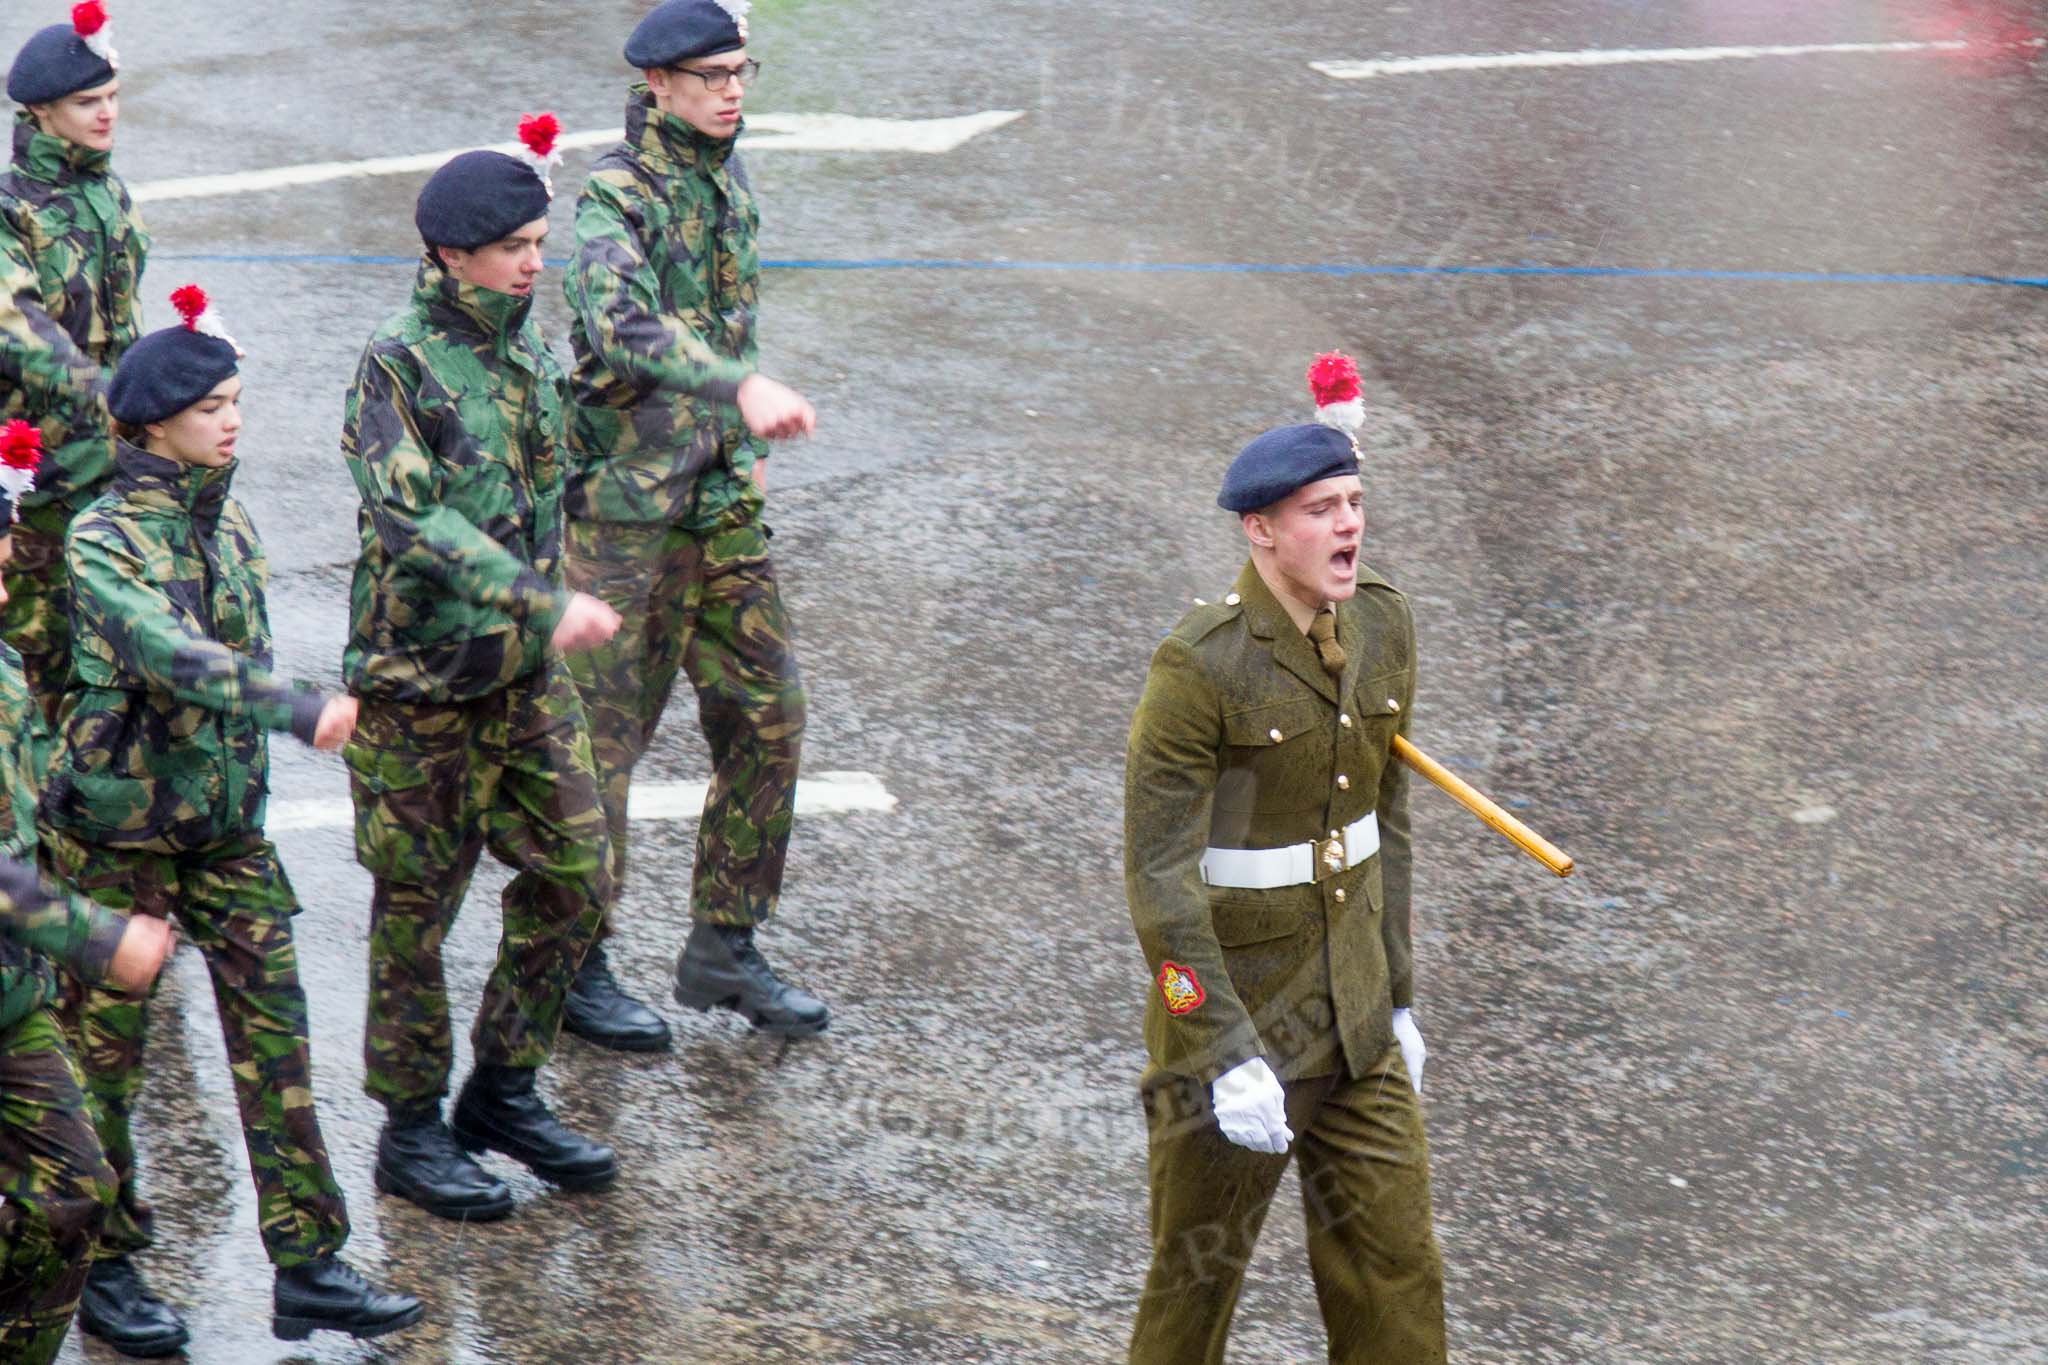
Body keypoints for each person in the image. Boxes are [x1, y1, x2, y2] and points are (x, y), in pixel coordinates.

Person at [39, 290, 422, 1349]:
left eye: (236, 400)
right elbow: (172, 654)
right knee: (101, 1067)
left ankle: (308, 1266)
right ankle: (105, 1264)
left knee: (278, 1050)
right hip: (120, 844)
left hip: (225, 834)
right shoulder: (102, 539)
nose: (232, 420)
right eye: (212, 406)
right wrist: (294, 708)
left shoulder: (231, 519)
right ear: (153, 423)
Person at [1122, 356, 1447, 1363]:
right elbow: (1159, 883)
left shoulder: (1383, 623)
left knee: (1395, 1274)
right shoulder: (1199, 669)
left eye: (1353, 502)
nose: (1347, 525)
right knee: (1193, 1287)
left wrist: (1395, 991)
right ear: (1259, 529)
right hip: (1242, 1025)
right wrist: (1219, 1054)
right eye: (1319, 509)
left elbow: (1380, 822)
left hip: (1354, 1019)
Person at [339, 118, 622, 1225]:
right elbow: (418, 521)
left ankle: (502, 1089)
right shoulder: (397, 362)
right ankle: (411, 1133)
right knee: (416, 913)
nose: (533, 262)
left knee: (576, 876)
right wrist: (541, 601)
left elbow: (554, 473)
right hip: (419, 691)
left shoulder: (524, 348)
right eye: (512, 247)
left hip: (516, 679)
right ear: (452, 256)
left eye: (539, 242)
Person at [560, 0, 824, 1051]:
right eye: (709, 75)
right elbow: (620, 327)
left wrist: (741, 447)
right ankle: (575, 963)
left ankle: (724, 943)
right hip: (623, 523)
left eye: (740, 72)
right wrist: (739, 385)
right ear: (657, 84)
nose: (730, 90)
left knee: (769, 719)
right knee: (599, 749)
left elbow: (727, 308)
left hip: (717, 509)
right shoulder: (608, 200)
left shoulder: (726, 177)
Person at [0, 416, 174, 1365]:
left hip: (12, 999)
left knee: (76, 1191)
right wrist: (95, 933)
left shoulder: (4, 671)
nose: (2, 592)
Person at [1, 0, 149, 722]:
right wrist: (114, 398)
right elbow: (19, 325)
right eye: (87, 102)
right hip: (41, 482)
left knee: (119, 666)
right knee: (40, 675)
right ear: (40, 112)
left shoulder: (109, 196)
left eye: (112, 97)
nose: (106, 114)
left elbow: (127, 319)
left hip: (115, 468)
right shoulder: (11, 211)